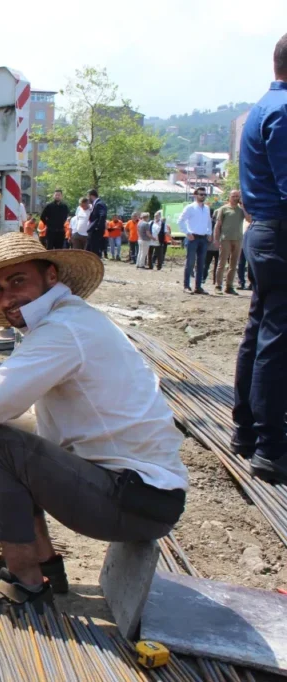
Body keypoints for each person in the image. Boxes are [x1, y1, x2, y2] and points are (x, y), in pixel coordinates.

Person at [0, 233, 187, 606]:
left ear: (51, 276)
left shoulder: (64, 330)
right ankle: (47, 568)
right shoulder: (72, 321)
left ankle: (23, 583)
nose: (7, 297)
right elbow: (23, 419)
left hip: (133, 502)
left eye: (18, 280)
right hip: (144, 495)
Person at [233, 32, 287, 484]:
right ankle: (271, 447)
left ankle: (247, 431)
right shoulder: (285, 112)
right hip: (280, 231)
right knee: (277, 338)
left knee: (261, 330)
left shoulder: (261, 109)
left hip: (264, 231)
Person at [214, 190, 248, 295]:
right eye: (233, 196)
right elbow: (218, 225)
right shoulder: (223, 209)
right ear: (229, 197)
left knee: (234, 264)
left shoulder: (241, 210)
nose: (235, 198)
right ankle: (218, 285)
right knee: (222, 263)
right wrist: (216, 239)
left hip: (238, 239)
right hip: (225, 239)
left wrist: (244, 207)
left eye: (237, 196)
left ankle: (229, 286)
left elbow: (249, 219)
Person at [179, 188, 213, 294]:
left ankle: (198, 287)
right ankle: (186, 286)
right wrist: (187, 233)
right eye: (201, 194)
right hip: (193, 237)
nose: (203, 196)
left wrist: (209, 233)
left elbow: (209, 222)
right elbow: (180, 220)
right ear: (195, 195)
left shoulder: (207, 208)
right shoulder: (190, 207)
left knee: (201, 263)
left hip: (203, 238)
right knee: (190, 262)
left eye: (204, 194)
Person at [87, 189, 108, 258]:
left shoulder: (99, 204)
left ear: (91, 196)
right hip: (94, 230)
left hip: (96, 230)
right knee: (90, 248)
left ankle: (96, 265)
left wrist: (98, 227)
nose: (88, 198)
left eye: (88, 196)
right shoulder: (96, 204)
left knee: (94, 249)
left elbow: (103, 215)